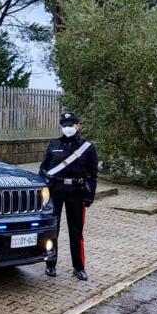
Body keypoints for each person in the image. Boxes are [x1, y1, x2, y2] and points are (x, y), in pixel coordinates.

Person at [40, 112, 98, 280]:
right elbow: (43, 169)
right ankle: (50, 264)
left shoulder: (87, 147)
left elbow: (92, 175)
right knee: (52, 230)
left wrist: (89, 196)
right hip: (56, 192)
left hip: (77, 193)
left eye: (71, 125)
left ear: (78, 126)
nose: (68, 128)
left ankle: (78, 267)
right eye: (65, 125)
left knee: (76, 231)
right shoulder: (53, 145)